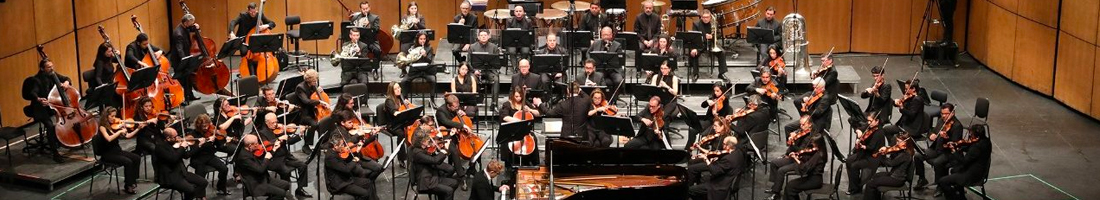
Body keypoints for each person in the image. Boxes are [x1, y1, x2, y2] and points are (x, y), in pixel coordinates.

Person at [21, 58, 73, 162]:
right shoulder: (36, 80)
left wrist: (67, 82)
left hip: (51, 104)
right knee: (49, 125)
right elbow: (33, 92)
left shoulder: (52, 74)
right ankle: (55, 154)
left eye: (52, 66)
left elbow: (66, 78)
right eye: (49, 67)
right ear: (42, 68)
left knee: (60, 119)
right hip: (39, 107)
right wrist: (38, 99)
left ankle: (62, 140)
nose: (52, 68)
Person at [258, 112, 312, 197]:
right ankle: (284, 193)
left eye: (276, 121)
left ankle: (300, 189)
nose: (275, 124)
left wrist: (300, 134)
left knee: (303, 165)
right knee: (286, 172)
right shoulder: (262, 133)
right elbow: (266, 145)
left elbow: (290, 141)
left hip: (286, 156)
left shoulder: (279, 129)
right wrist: (278, 139)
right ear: (266, 122)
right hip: (274, 159)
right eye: (272, 123)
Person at [94, 107, 143, 194]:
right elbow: (108, 139)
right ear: (106, 116)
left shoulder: (115, 126)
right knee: (128, 162)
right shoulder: (102, 127)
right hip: (107, 154)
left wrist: (138, 129)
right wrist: (119, 132)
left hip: (117, 151)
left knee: (136, 158)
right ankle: (128, 186)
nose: (114, 118)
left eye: (115, 116)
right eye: (112, 116)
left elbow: (128, 136)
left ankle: (132, 181)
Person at [766, 116, 817, 198]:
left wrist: (793, 142)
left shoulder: (810, 137)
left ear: (810, 124)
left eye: (803, 125)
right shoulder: (803, 130)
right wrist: (787, 154)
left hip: (802, 161)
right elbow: (794, 146)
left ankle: (776, 193)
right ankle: (776, 186)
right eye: (800, 124)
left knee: (781, 170)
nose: (801, 127)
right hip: (793, 156)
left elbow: (800, 151)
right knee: (774, 163)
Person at [938, 125, 992, 200]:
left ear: (977, 137)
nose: (970, 135)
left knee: (942, 181)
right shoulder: (986, 141)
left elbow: (963, 161)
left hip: (972, 174)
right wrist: (958, 146)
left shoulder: (976, 147)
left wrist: (954, 151)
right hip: (980, 170)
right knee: (954, 170)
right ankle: (961, 196)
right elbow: (970, 148)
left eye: (971, 134)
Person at [154, 128, 209, 200]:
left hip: (182, 173)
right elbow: (173, 159)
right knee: (190, 189)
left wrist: (199, 145)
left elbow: (186, 155)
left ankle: (193, 197)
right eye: (175, 137)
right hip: (170, 176)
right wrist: (182, 147)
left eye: (177, 136)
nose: (178, 138)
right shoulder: (160, 147)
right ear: (168, 138)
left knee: (203, 182)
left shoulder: (176, 145)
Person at [499, 86, 544, 167]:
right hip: (512, 130)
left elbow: (538, 113)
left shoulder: (525, 103)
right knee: (507, 141)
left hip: (525, 131)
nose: (518, 98)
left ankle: (533, 162)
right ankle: (509, 163)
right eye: (516, 96)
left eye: (520, 96)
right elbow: (505, 117)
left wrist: (530, 110)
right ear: (513, 95)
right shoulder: (507, 104)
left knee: (534, 138)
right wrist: (518, 121)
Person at [845, 112, 888, 195]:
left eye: (870, 121)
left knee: (854, 166)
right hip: (865, 153)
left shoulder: (879, 133)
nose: (868, 123)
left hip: (873, 157)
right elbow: (860, 128)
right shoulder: (870, 126)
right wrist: (858, 131)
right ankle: (855, 184)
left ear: (877, 121)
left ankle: (855, 188)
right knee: (848, 161)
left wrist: (861, 145)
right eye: (868, 120)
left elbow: (871, 147)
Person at [436, 93, 476, 183]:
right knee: (454, 151)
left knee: (474, 145)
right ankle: (461, 175)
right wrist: (462, 126)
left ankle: (472, 168)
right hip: (446, 135)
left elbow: (460, 116)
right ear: (448, 106)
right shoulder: (440, 111)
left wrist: (463, 113)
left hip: (457, 133)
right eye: (455, 107)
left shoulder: (456, 107)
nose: (457, 109)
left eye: (458, 106)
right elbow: (447, 122)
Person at [236, 134, 291, 199]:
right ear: (250, 145)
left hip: (263, 179)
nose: (258, 145)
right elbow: (260, 170)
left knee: (286, 185)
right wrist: (266, 158)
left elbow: (264, 160)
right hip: (256, 185)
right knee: (282, 193)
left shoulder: (251, 150)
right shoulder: (244, 158)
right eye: (256, 144)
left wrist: (274, 149)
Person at [325, 134, 379, 200]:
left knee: (368, 182)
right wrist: (354, 161)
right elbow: (346, 169)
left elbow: (345, 161)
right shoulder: (330, 157)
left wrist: (356, 151)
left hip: (345, 178)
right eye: (342, 145)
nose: (344, 146)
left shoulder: (335, 151)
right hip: (340, 184)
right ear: (335, 146)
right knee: (365, 194)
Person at [862, 134, 915, 200]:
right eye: (897, 141)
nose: (897, 143)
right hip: (893, 174)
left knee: (870, 184)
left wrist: (882, 155)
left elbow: (891, 163)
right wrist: (889, 150)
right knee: (875, 176)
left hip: (897, 179)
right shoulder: (901, 151)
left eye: (899, 142)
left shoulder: (905, 155)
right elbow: (893, 158)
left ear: (906, 143)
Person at [189, 114, 232, 195]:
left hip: (209, 156)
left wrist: (224, 142)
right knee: (201, 175)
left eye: (207, 125)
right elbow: (193, 151)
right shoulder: (193, 134)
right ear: (198, 126)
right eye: (203, 126)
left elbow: (218, 146)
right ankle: (201, 195)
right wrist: (204, 143)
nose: (206, 128)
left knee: (224, 169)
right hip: (198, 158)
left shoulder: (211, 131)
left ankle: (221, 188)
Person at [411, 129, 459, 200]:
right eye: (427, 139)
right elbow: (435, 160)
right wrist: (445, 149)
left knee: (454, 183)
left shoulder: (423, 148)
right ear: (422, 142)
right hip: (425, 182)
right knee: (449, 191)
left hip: (432, 177)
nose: (429, 140)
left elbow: (434, 158)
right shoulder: (417, 153)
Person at [926, 103, 964, 191]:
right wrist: (931, 135)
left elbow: (954, 144)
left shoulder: (957, 126)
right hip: (937, 148)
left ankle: (940, 186)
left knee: (937, 162)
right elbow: (932, 131)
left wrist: (946, 138)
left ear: (952, 113)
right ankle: (922, 179)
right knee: (918, 155)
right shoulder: (941, 120)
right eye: (942, 113)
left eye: (946, 114)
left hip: (947, 152)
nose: (943, 116)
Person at [780, 136, 828, 200]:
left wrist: (796, 158)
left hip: (814, 181)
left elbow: (805, 168)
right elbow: (809, 164)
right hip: (814, 178)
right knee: (790, 186)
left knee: (790, 187)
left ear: (818, 143)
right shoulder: (821, 152)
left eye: (814, 143)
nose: (812, 145)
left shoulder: (818, 155)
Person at [293, 69, 327, 154]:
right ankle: (306, 145)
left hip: (312, 110)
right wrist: (319, 101)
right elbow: (306, 101)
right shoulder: (300, 88)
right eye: (314, 80)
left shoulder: (312, 85)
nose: (316, 82)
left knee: (325, 121)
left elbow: (314, 96)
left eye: (316, 80)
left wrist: (319, 91)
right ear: (308, 80)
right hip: (303, 113)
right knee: (314, 124)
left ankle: (323, 142)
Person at [465, 30, 503, 107]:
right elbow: (468, 62)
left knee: (496, 80)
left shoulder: (494, 47)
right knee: (472, 78)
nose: (483, 37)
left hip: (490, 70)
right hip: (476, 70)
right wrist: (474, 71)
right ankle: (473, 102)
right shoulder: (472, 47)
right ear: (478, 37)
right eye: (481, 35)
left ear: (488, 36)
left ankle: (494, 104)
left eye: (485, 35)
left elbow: (497, 61)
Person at [691, 9, 729, 81]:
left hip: (712, 43)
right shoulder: (696, 24)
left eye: (707, 17)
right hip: (700, 44)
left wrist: (712, 36)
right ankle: (695, 74)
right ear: (701, 17)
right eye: (704, 17)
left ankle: (721, 73)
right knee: (694, 53)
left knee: (722, 52)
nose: (705, 19)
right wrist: (694, 48)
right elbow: (694, 36)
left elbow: (719, 34)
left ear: (710, 17)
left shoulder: (714, 23)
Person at [171, 14, 200, 101]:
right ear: (186, 22)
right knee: (182, 81)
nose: (192, 24)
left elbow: (193, 29)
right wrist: (185, 60)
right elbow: (179, 49)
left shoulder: (185, 27)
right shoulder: (178, 34)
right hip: (179, 60)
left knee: (188, 78)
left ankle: (190, 95)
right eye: (191, 23)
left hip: (186, 57)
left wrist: (197, 28)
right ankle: (182, 99)